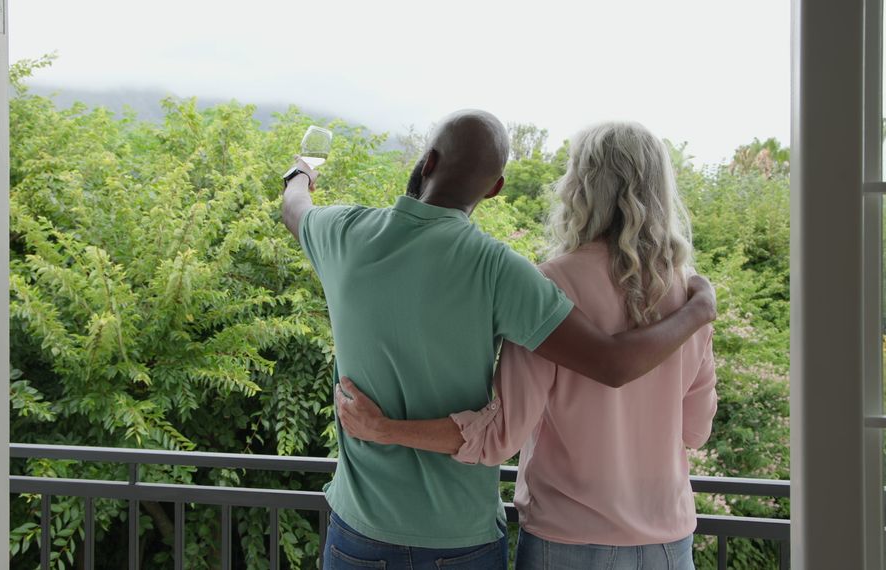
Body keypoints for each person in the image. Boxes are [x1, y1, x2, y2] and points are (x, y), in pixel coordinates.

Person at [280, 111, 716, 568]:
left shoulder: (343, 232)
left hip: (372, 532)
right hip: (487, 539)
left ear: (427, 162)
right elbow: (664, 406)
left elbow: (295, 208)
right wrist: (698, 312)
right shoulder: (506, 273)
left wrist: (301, 172)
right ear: (495, 188)